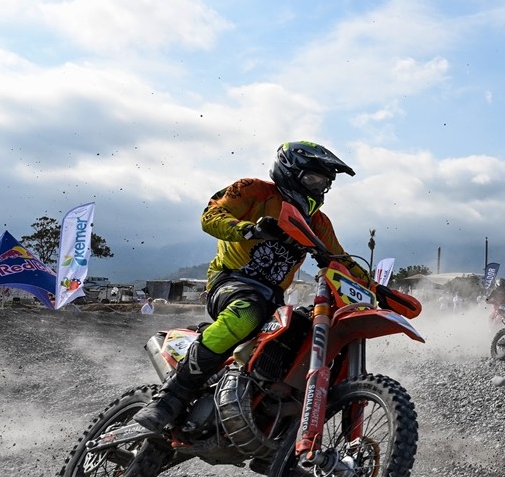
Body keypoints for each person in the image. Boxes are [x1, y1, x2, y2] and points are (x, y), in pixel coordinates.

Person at [134, 140, 367, 432]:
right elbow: (211, 216)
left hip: (274, 297)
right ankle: (171, 395)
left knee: (304, 335)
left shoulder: (318, 222)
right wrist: (249, 228)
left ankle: (280, 436)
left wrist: (377, 288)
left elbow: (340, 259)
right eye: (312, 178)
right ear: (290, 171)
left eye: (324, 182)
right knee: (248, 310)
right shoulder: (253, 190)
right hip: (231, 280)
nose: (318, 187)